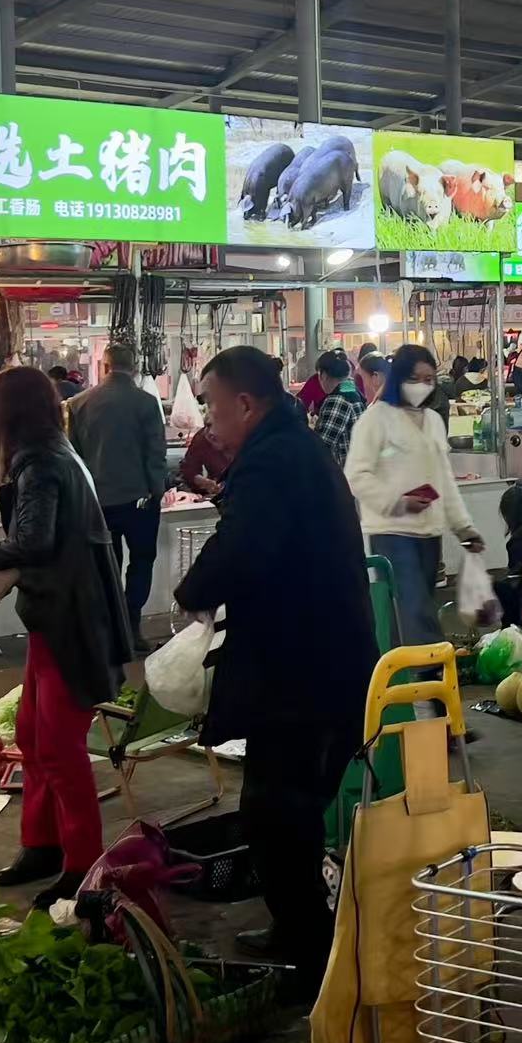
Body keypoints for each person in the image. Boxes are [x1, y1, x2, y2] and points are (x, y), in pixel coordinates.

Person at [174, 347, 376, 973]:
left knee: (279, 812)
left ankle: (311, 954)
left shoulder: (274, 460)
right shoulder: (287, 448)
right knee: (282, 810)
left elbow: (241, 548)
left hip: (308, 671)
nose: (205, 418)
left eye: (209, 404)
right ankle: (303, 933)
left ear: (244, 403)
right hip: (313, 662)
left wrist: (190, 595)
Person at [0, 368, 133, 902]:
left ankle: (83, 864)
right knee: (34, 740)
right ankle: (41, 843)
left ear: (9, 419)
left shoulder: (42, 463)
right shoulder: (57, 454)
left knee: (58, 747)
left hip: (69, 622)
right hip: (61, 618)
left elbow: (33, 541)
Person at [345, 345, 484, 653]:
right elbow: (356, 476)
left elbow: (443, 480)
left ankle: (402, 687)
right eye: (416, 378)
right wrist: (398, 501)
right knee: (416, 614)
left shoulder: (433, 420)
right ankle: (434, 683)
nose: (423, 385)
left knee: (404, 618)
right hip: (391, 534)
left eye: (429, 378)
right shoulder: (375, 420)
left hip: (429, 535)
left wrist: (464, 528)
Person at [66, 344, 166, 639]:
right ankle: (132, 624)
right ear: (134, 368)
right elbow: (156, 453)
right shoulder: (147, 402)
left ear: (104, 366)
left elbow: (74, 457)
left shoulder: (79, 403)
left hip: (98, 503)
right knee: (141, 562)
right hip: (140, 501)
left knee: (107, 566)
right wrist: (156, 492)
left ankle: (111, 630)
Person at [313, 351, 365, 465]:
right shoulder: (351, 389)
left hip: (345, 474)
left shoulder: (337, 400)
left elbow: (321, 446)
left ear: (323, 375)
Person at [177, 419, 236, 497]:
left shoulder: (247, 437)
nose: (211, 432)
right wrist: (204, 482)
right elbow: (188, 469)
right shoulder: (201, 438)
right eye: (208, 426)